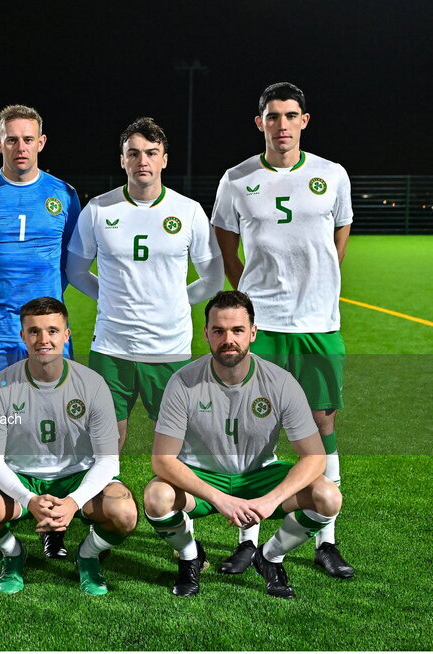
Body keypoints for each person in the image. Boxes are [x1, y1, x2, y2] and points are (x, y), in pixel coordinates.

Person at [211, 82, 353, 578]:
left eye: (291, 115)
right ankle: (249, 539)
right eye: (273, 116)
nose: (282, 125)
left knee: (321, 425)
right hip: (262, 326)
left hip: (317, 325)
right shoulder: (236, 179)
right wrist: (254, 302)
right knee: (255, 428)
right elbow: (227, 251)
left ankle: (326, 541)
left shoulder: (332, 175)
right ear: (260, 123)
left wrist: (317, 293)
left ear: (304, 121)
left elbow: (339, 240)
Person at [144, 291, 343, 599]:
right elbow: (163, 460)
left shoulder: (280, 382)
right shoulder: (183, 382)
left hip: (258, 476)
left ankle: (270, 556)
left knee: (328, 497)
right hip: (203, 476)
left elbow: (314, 457)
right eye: (219, 330)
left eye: (237, 330)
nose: (228, 339)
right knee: (157, 496)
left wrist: (270, 500)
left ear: (252, 333)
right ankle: (188, 556)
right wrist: (221, 499)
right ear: (206, 334)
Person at [0, 104, 81, 561]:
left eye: (28, 139)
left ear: (41, 143)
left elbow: (69, 260)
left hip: (46, 330)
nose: (20, 147)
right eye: (12, 139)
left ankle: (52, 523)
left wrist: (43, 310)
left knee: (54, 422)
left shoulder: (63, 194)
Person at [66, 117, 223, 451]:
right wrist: (111, 298)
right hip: (111, 345)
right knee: (105, 438)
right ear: (122, 159)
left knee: (177, 440)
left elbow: (212, 278)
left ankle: (171, 504)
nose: (143, 161)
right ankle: (99, 500)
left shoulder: (189, 211)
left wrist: (175, 303)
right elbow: (76, 271)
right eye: (133, 153)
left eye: (152, 152)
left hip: (169, 346)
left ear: (164, 159)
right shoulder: (98, 209)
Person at [0, 297, 135, 595]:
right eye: (34, 331)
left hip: (76, 477)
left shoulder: (92, 384)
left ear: (66, 334)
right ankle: (14, 553)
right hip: (22, 478)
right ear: (23, 336)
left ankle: (88, 555)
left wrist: (73, 502)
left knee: (124, 513)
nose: (44, 339)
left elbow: (108, 460)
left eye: (53, 331)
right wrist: (29, 499)